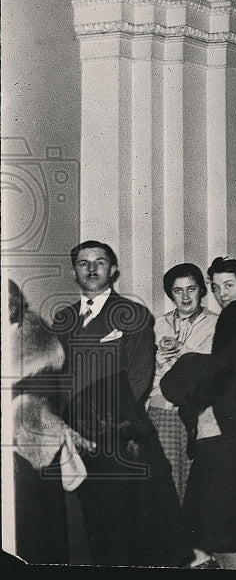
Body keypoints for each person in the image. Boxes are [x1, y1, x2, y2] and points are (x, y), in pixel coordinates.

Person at [51, 240, 189, 567]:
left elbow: (139, 380)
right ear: (74, 272)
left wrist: (100, 428)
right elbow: (57, 378)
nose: (92, 268)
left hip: (116, 435)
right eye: (84, 263)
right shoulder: (63, 319)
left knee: (123, 528)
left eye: (100, 262)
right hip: (73, 439)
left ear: (113, 270)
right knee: (88, 526)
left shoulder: (133, 314)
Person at [161, 257, 236, 570]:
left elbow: (226, 369)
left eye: (228, 285)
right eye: (216, 287)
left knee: (223, 517)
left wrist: (182, 370)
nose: (221, 292)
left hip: (229, 424)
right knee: (233, 515)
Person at [10, 279, 94, 564]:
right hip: (19, 445)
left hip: (35, 446)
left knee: (39, 531)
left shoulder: (38, 342)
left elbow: (43, 400)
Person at [148, 263, 218, 506]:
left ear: (201, 290)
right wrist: (156, 362)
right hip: (162, 412)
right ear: (170, 294)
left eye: (191, 289)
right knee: (165, 482)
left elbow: (212, 369)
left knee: (195, 482)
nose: (185, 297)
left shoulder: (215, 324)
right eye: (178, 291)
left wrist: (183, 352)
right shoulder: (160, 324)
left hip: (197, 413)